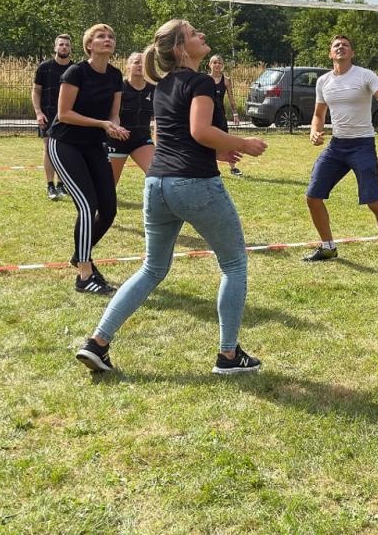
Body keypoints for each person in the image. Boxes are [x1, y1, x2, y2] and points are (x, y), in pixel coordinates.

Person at [76, 20, 269, 376]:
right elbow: (200, 130)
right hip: (193, 184)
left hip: (158, 183)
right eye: (195, 34)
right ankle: (228, 356)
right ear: (181, 49)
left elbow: (177, 139)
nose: (203, 36)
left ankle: (97, 343)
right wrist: (243, 144)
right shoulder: (200, 82)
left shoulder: (163, 85)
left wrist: (217, 154)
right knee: (234, 264)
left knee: (152, 269)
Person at [300, 34, 378, 270]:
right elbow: (318, 115)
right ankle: (328, 247)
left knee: (374, 202)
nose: (341, 47)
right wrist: (314, 132)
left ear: (352, 52)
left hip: (363, 145)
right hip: (337, 146)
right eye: (336, 45)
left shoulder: (365, 75)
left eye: (345, 45)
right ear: (330, 53)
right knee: (313, 196)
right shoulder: (324, 82)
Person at [49, 24, 128, 296]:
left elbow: (114, 114)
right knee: (87, 205)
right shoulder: (75, 72)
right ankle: (84, 275)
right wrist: (103, 123)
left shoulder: (116, 75)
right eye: (101, 37)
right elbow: (64, 114)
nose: (108, 40)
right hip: (65, 143)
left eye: (111, 36)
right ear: (89, 46)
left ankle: (79, 254)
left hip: (94, 145)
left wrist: (114, 125)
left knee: (108, 209)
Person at [32, 34, 73, 201]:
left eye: (67, 45)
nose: (64, 47)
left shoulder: (75, 69)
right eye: (61, 44)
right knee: (49, 149)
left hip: (68, 116)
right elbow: (36, 91)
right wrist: (38, 112)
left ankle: (62, 184)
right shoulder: (44, 67)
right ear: (55, 48)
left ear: (70, 49)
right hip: (48, 115)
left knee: (66, 151)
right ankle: (50, 185)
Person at [108, 51, 156, 185]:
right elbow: (110, 115)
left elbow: (159, 118)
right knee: (109, 186)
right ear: (128, 66)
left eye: (143, 62)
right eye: (136, 62)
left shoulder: (154, 89)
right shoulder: (118, 88)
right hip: (117, 140)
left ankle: (153, 203)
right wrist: (114, 128)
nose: (140, 65)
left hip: (141, 140)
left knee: (157, 175)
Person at [208, 54, 243, 175]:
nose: (217, 65)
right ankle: (211, 167)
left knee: (225, 140)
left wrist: (235, 113)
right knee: (208, 141)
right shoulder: (205, 80)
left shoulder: (226, 80)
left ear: (222, 65)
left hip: (220, 114)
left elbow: (231, 98)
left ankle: (233, 167)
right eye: (215, 62)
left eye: (219, 63)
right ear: (210, 64)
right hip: (207, 114)